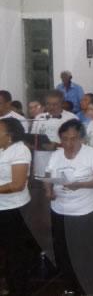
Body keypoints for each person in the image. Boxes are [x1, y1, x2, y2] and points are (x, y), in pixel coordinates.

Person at [45, 119, 93, 296]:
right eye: (65, 139)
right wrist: (49, 190)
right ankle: (70, 286)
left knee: (83, 251)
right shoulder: (56, 155)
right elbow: (48, 176)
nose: (69, 143)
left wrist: (81, 185)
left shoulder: (92, 154)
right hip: (60, 209)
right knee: (62, 250)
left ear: (81, 138)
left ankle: (89, 287)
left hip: (84, 210)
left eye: (73, 139)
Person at [0, 118, 36, 296]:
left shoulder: (20, 150)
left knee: (15, 252)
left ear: (10, 136)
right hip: (1, 207)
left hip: (14, 210)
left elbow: (17, 184)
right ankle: (8, 283)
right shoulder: (2, 148)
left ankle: (20, 288)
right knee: (5, 251)